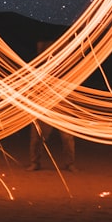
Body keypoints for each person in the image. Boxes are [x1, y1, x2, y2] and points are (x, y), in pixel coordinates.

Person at [26, 40, 76, 171]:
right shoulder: (40, 69)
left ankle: (69, 163)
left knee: (67, 137)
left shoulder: (65, 68)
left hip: (62, 104)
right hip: (44, 104)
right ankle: (35, 162)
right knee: (37, 135)